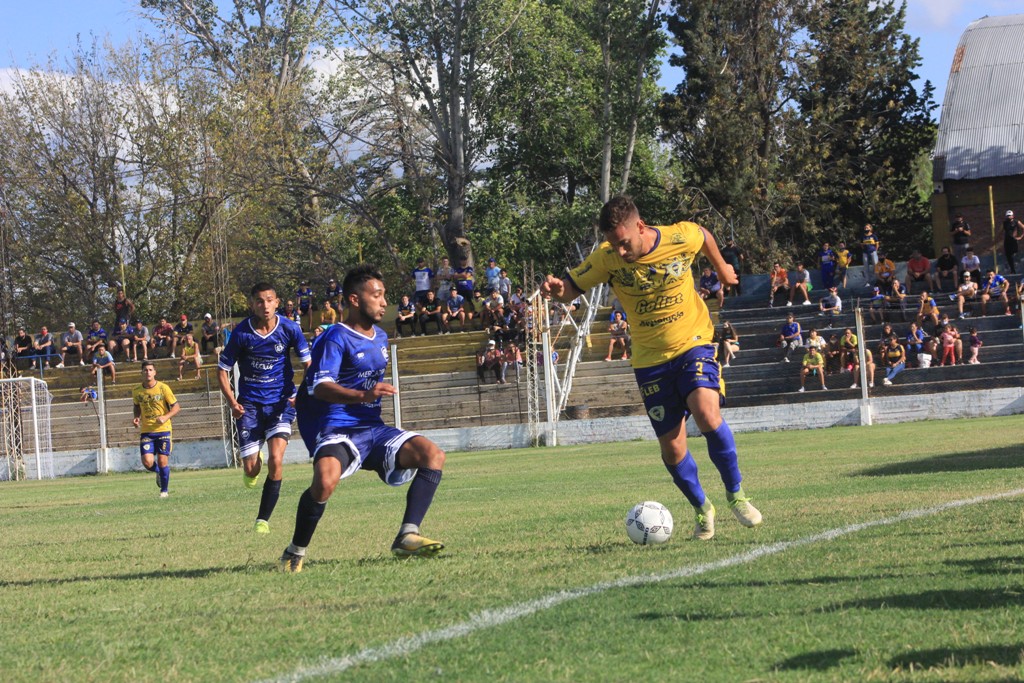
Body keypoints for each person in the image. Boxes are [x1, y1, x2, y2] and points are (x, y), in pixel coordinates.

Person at [541, 195, 762, 541]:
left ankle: (737, 495)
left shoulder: (677, 237)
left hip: (693, 342)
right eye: (614, 245)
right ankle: (703, 509)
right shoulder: (607, 257)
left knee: (706, 413)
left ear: (641, 227)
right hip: (649, 361)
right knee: (673, 450)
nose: (621, 251)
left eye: (625, 243)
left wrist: (721, 267)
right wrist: (559, 290)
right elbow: (572, 286)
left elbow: (703, 234)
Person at [280, 264, 447, 572]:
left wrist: (368, 399)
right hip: (339, 428)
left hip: (374, 429)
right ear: (355, 300)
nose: (384, 302)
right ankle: (295, 550)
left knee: (432, 455)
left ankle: (408, 534)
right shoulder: (334, 338)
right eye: (377, 295)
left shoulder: (381, 336)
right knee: (325, 482)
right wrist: (362, 395)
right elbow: (320, 386)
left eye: (384, 296)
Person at [218, 282, 312, 534]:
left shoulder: (290, 329)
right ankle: (253, 460)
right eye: (259, 301)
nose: (265, 305)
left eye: (269, 300)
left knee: (277, 461)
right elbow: (222, 370)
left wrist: (301, 394)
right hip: (249, 405)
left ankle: (263, 520)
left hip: (281, 402)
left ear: (277, 302)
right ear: (252, 305)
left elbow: (309, 365)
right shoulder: (241, 333)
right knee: (252, 469)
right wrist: (232, 402)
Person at [132, 360, 180, 498]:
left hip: (163, 429)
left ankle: (164, 491)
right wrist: (137, 417)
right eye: (145, 370)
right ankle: (158, 472)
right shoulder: (136, 391)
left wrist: (165, 417)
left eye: (150, 370)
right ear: (141, 372)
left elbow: (176, 407)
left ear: (155, 372)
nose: (148, 372)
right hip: (147, 431)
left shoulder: (163, 388)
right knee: (147, 463)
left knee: (162, 460)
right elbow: (136, 406)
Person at [1001, 210, 1024, 274]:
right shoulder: (1005, 223)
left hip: (1014, 240)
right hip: (1007, 241)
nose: (1009, 217)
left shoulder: (1016, 222)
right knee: (1008, 256)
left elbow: (1023, 227)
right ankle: (1012, 269)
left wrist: (1021, 236)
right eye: (1007, 216)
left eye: (1010, 215)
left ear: (1013, 216)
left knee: (1015, 254)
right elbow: (1002, 231)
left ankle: (1018, 268)